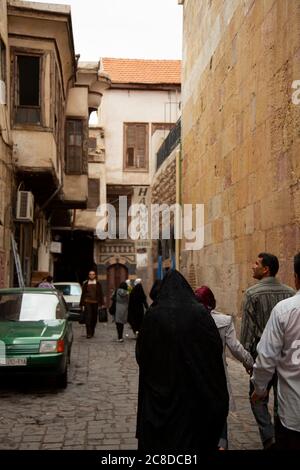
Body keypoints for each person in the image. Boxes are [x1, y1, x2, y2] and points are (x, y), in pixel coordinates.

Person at [136, 270, 229, 452]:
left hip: (158, 404)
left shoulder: (152, 316)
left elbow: (141, 356)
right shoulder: (200, 314)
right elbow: (214, 352)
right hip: (193, 402)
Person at [240, 252, 295, 449]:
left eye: (256, 263)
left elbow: (247, 331)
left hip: (261, 356)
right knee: (282, 397)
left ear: (266, 269)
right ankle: (281, 433)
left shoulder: (252, 294)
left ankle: (268, 435)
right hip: (286, 357)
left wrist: (247, 360)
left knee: (257, 398)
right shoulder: (290, 292)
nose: (252, 266)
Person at [195, 285, 253, 450]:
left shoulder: (188, 320)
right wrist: (250, 363)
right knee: (220, 413)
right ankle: (221, 444)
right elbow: (235, 348)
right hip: (217, 376)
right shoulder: (224, 321)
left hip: (196, 375)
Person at [79, 270, 104, 339]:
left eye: (93, 274)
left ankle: (92, 331)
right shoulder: (86, 283)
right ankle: (88, 333)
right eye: (90, 274)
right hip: (87, 302)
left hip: (95, 303)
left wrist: (102, 303)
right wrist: (82, 304)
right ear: (89, 275)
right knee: (88, 318)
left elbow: (101, 294)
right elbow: (83, 294)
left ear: (95, 275)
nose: (91, 275)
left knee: (94, 318)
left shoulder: (98, 283)